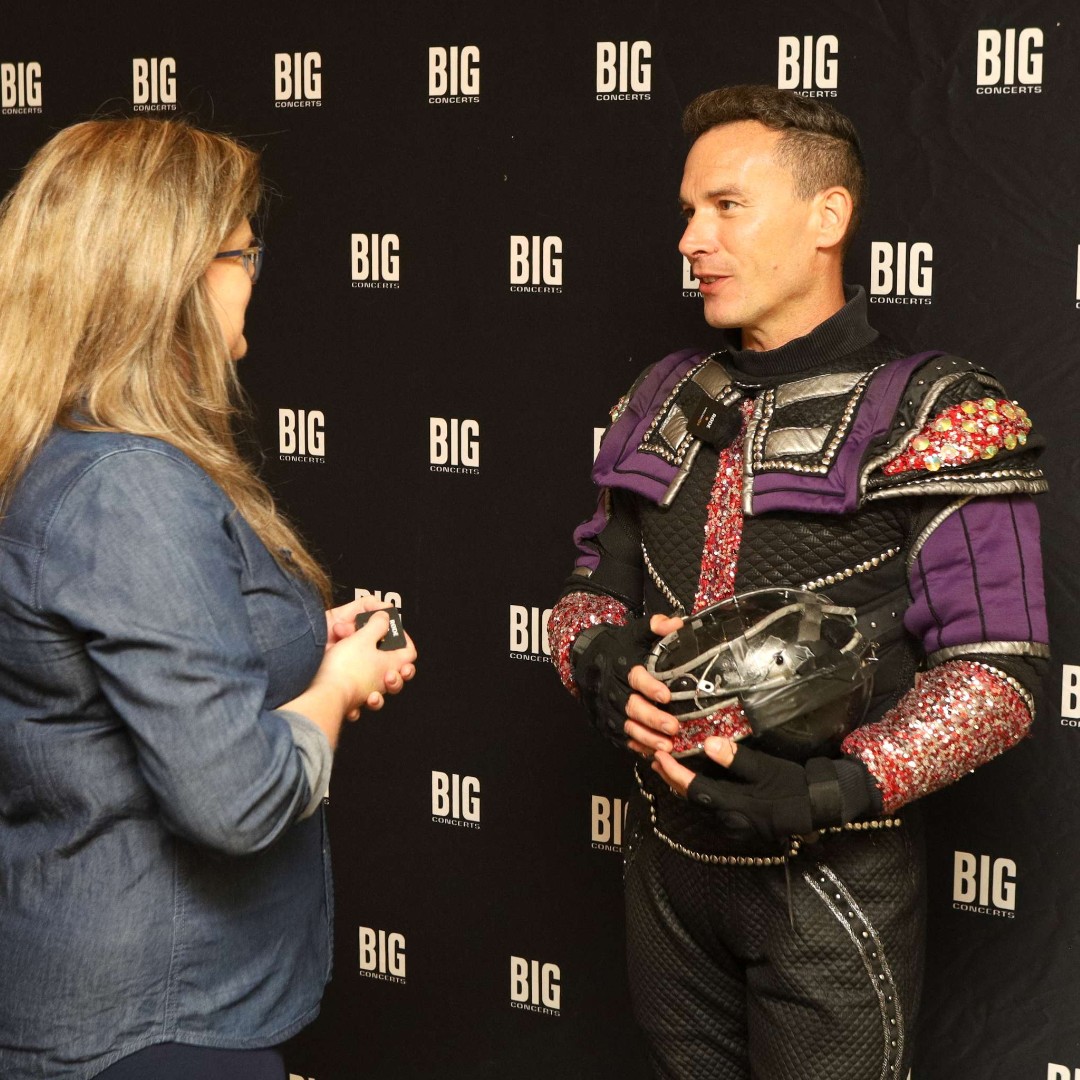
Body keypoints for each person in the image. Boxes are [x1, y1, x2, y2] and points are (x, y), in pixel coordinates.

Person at [548, 85, 1048, 1079]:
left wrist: (834, 788)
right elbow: (588, 596)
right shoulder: (663, 396)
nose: (692, 238)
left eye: (726, 206)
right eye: (689, 211)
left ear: (828, 218)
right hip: (664, 868)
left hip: (831, 880)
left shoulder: (943, 410)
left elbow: (1001, 673)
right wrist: (597, 658)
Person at [0, 118, 417, 1080]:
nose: (255, 274)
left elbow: (100, 661)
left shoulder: (49, 450)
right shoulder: (129, 483)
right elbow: (235, 800)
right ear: (170, 274)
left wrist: (300, 636)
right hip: (156, 1021)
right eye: (242, 251)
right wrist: (340, 685)